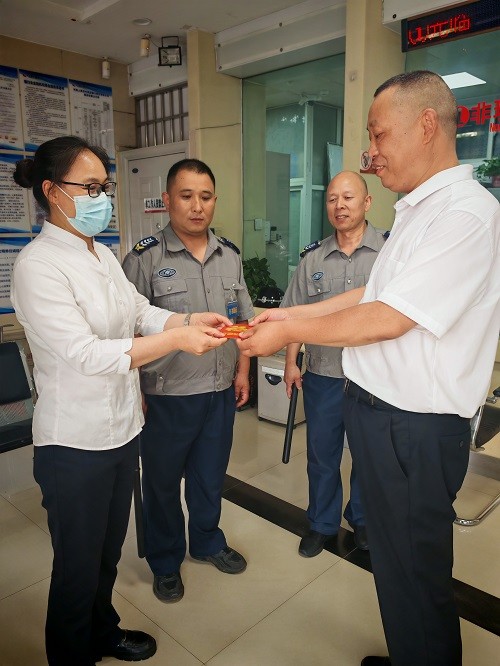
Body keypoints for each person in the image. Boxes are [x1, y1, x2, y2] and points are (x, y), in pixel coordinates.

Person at [236, 71, 500, 666]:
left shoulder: (464, 215)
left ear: (426, 125)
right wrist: (290, 314)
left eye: (379, 135)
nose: (372, 152)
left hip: (415, 428)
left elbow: (389, 317)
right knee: (395, 566)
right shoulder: (417, 212)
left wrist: (290, 331)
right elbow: (369, 295)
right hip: (380, 418)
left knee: (417, 577)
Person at [10, 136, 231, 666]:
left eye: (104, 187)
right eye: (90, 188)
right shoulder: (38, 266)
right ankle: (72, 652)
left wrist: (186, 320)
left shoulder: (102, 254)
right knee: (77, 566)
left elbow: (139, 311)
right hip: (74, 443)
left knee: (107, 554)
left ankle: (101, 632)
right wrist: (177, 341)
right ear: (52, 191)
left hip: (121, 432)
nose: (102, 198)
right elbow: (85, 354)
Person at [122, 158, 254, 604]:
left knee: (210, 476)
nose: (197, 206)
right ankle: (164, 560)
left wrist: (242, 371)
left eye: (206, 196)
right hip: (167, 395)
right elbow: (127, 332)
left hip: (218, 391)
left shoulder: (229, 255)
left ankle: (207, 541)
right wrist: (135, 391)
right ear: (167, 201)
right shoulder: (144, 259)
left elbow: (242, 321)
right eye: (186, 196)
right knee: (161, 483)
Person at [283, 171, 385, 557]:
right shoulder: (312, 259)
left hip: (374, 377)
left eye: (348, 197)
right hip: (323, 375)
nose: (339, 205)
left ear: (367, 202)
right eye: (332, 199)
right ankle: (322, 523)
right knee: (322, 454)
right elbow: (294, 315)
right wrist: (291, 363)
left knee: (369, 454)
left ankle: (362, 517)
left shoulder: (389, 253)